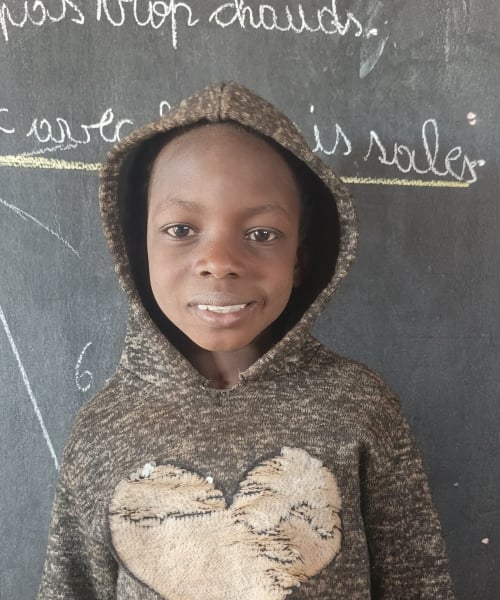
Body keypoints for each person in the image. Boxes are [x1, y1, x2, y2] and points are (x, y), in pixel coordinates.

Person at [38, 82, 455, 599]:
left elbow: (417, 583)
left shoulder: (360, 406)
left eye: (261, 234)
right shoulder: (102, 430)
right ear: (137, 249)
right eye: (181, 229)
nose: (220, 261)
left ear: (299, 259)